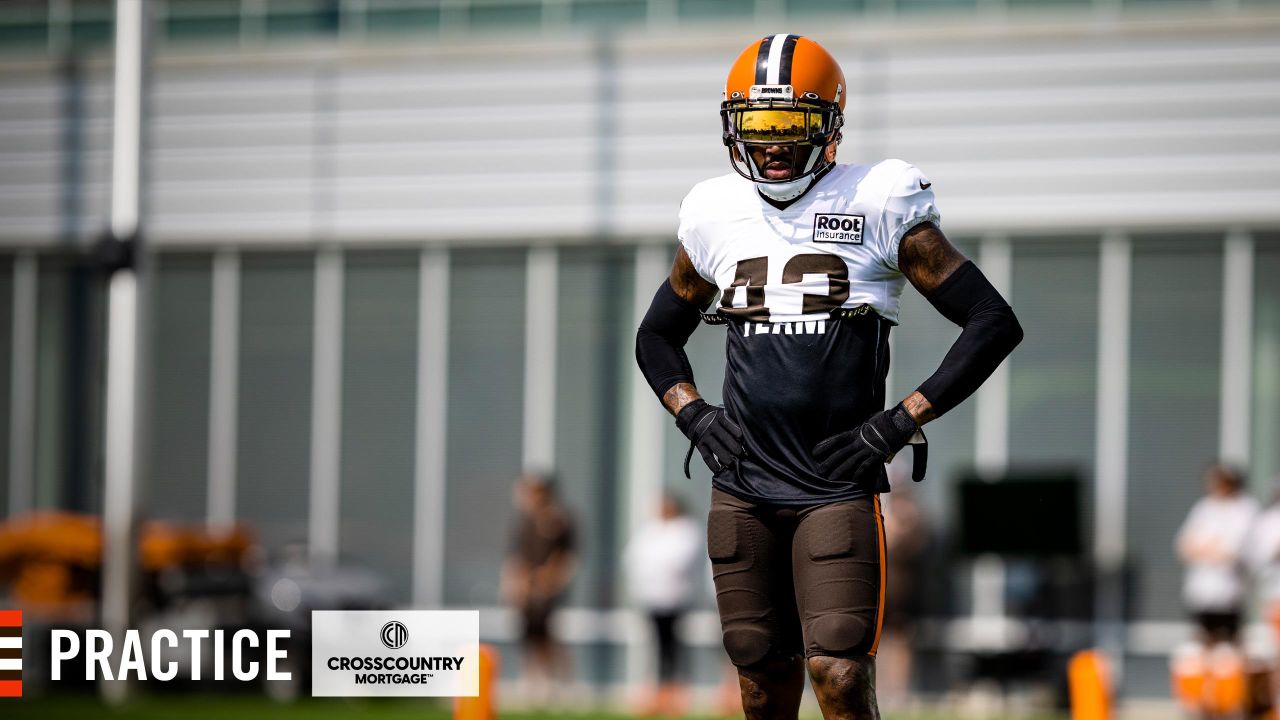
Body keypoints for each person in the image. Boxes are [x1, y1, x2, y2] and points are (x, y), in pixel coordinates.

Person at [634, 34, 1023, 719]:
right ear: (733, 127)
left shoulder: (879, 199)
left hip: (835, 483)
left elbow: (991, 321)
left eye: (792, 126)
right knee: (759, 678)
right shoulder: (713, 212)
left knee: (839, 674)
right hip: (743, 485)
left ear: (830, 128)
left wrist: (901, 421)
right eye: (760, 126)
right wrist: (693, 413)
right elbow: (656, 336)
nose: (775, 144)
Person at [500, 472, 577, 706]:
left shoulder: (558, 521)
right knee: (529, 636)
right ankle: (534, 685)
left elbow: (566, 557)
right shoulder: (525, 522)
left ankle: (561, 685)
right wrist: (514, 583)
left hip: (547, 588)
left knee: (548, 637)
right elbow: (516, 557)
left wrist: (550, 580)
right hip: (527, 587)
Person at [624, 492, 704, 716]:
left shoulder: (687, 529)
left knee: (673, 646)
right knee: (657, 646)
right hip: (652, 596)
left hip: (676, 598)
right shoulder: (650, 529)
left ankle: (675, 691)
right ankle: (659, 690)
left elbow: (680, 560)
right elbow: (634, 558)